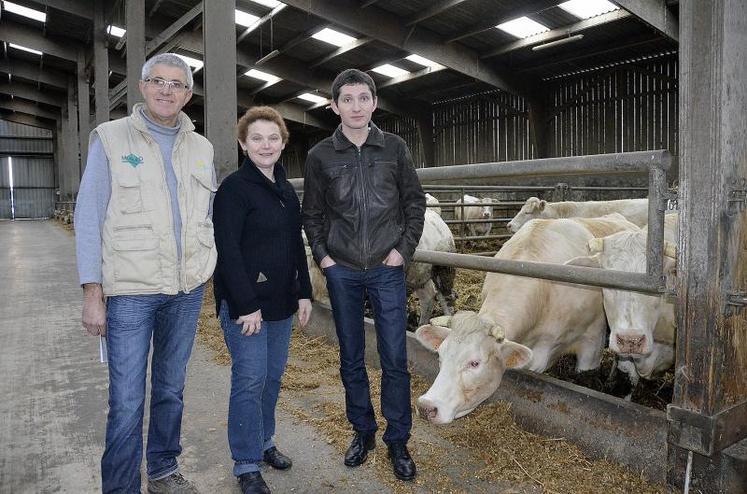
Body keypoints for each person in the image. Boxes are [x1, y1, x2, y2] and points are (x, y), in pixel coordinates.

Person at [74, 53, 215, 494]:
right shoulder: (112, 139)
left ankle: (162, 470)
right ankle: (120, 488)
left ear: (189, 94)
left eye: (177, 84)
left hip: (186, 290)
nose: (166, 90)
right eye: (158, 81)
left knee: (171, 389)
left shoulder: (202, 147)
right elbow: (89, 216)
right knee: (127, 400)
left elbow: (206, 217)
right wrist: (92, 292)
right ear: (141, 86)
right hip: (130, 292)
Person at [302, 69, 426, 481]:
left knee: (394, 357)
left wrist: (402, 252)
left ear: (374, 103)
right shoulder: (321, 155)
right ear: (334, 106)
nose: (356, 106)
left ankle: (398, 439)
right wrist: (325, 260)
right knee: (351, 357)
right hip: (343, 272)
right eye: (347, 99)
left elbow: (414, 203)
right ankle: (363, 431)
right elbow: (313, 214)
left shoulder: (394, 147)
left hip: (387, 270)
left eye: (363, 98)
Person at [212, 106, 313, 494]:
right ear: (243, 143)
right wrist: (244, 304)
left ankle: (265, 441)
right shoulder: (234, 190)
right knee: (250, 380)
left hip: (281, 304)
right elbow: (229, 251)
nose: (265, 145)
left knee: (271, 378)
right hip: (247, 308)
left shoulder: (286, 189)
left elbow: (293, 246)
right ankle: (246, 463)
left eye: (273, 138)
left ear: (283, 143)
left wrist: (304, 291)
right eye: (256, 138)